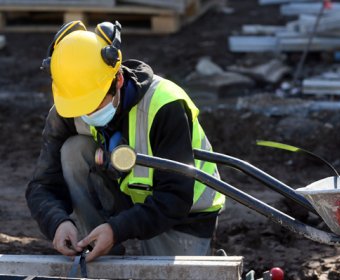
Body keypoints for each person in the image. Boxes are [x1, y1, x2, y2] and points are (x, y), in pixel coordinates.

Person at [26, 20, 225, 262]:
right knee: (73, 150)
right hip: (128, 197)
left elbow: (175, 197)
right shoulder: (69, 108)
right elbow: (41, 186)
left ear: (118, 80)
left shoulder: (165, 106)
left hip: (184, 214)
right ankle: (98, 251)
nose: (85, 113)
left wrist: (117, 229)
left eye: (93, 103)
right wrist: (57, 222)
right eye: (79, 106)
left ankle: (109, 236)